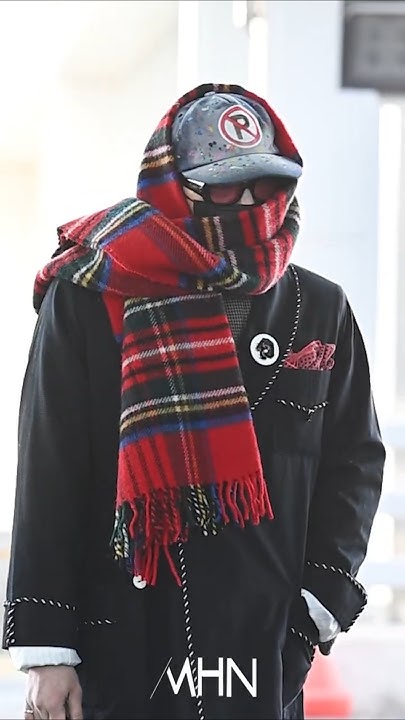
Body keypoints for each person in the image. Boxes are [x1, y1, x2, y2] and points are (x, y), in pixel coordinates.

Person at [3, 83, 385, 720]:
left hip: (263, 650)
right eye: (226, 187)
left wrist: (318, 607)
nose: (251, 203)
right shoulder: (88, 295)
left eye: (264, 183)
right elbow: (48, 466)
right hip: (120, 639)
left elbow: (355, 464)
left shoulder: (321, 308)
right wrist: (48, 650)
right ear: (176, 187)